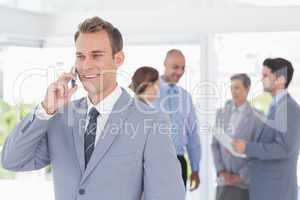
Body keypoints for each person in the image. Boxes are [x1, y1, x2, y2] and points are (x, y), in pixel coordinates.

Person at [1, 17, 185, 200]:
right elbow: (12, 160)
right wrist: (45, 109)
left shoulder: (150, 121)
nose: (86, 65)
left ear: (118, 59)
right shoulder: (60, 117)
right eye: (80, 56)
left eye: (96, 55)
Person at [232, 58, 300, 200]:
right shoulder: (275, 106)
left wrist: (247, 147)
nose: (261, 79)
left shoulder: (289, 108)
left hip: (277, 191)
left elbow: (284, 149)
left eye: (265, 75)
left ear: (280, 79)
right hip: (266, 189)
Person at [154, 49, 201, 190]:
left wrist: (195, 168)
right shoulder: (149, 91)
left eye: (182, 68)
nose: (179, 72)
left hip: (179, 161)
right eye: (175, 67)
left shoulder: (185, 97)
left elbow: (193, 135)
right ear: (165, 64)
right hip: (153, 161)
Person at [212, 73, 260, 200]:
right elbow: (215, 145)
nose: (234, 91)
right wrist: (222, 171)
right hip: (223, 181)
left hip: (243, 184)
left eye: (237, 87)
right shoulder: (221, 113)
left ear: (247, 88)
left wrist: (240, 176)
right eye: (232, 88)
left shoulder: (257, 118)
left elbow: (257, 152)